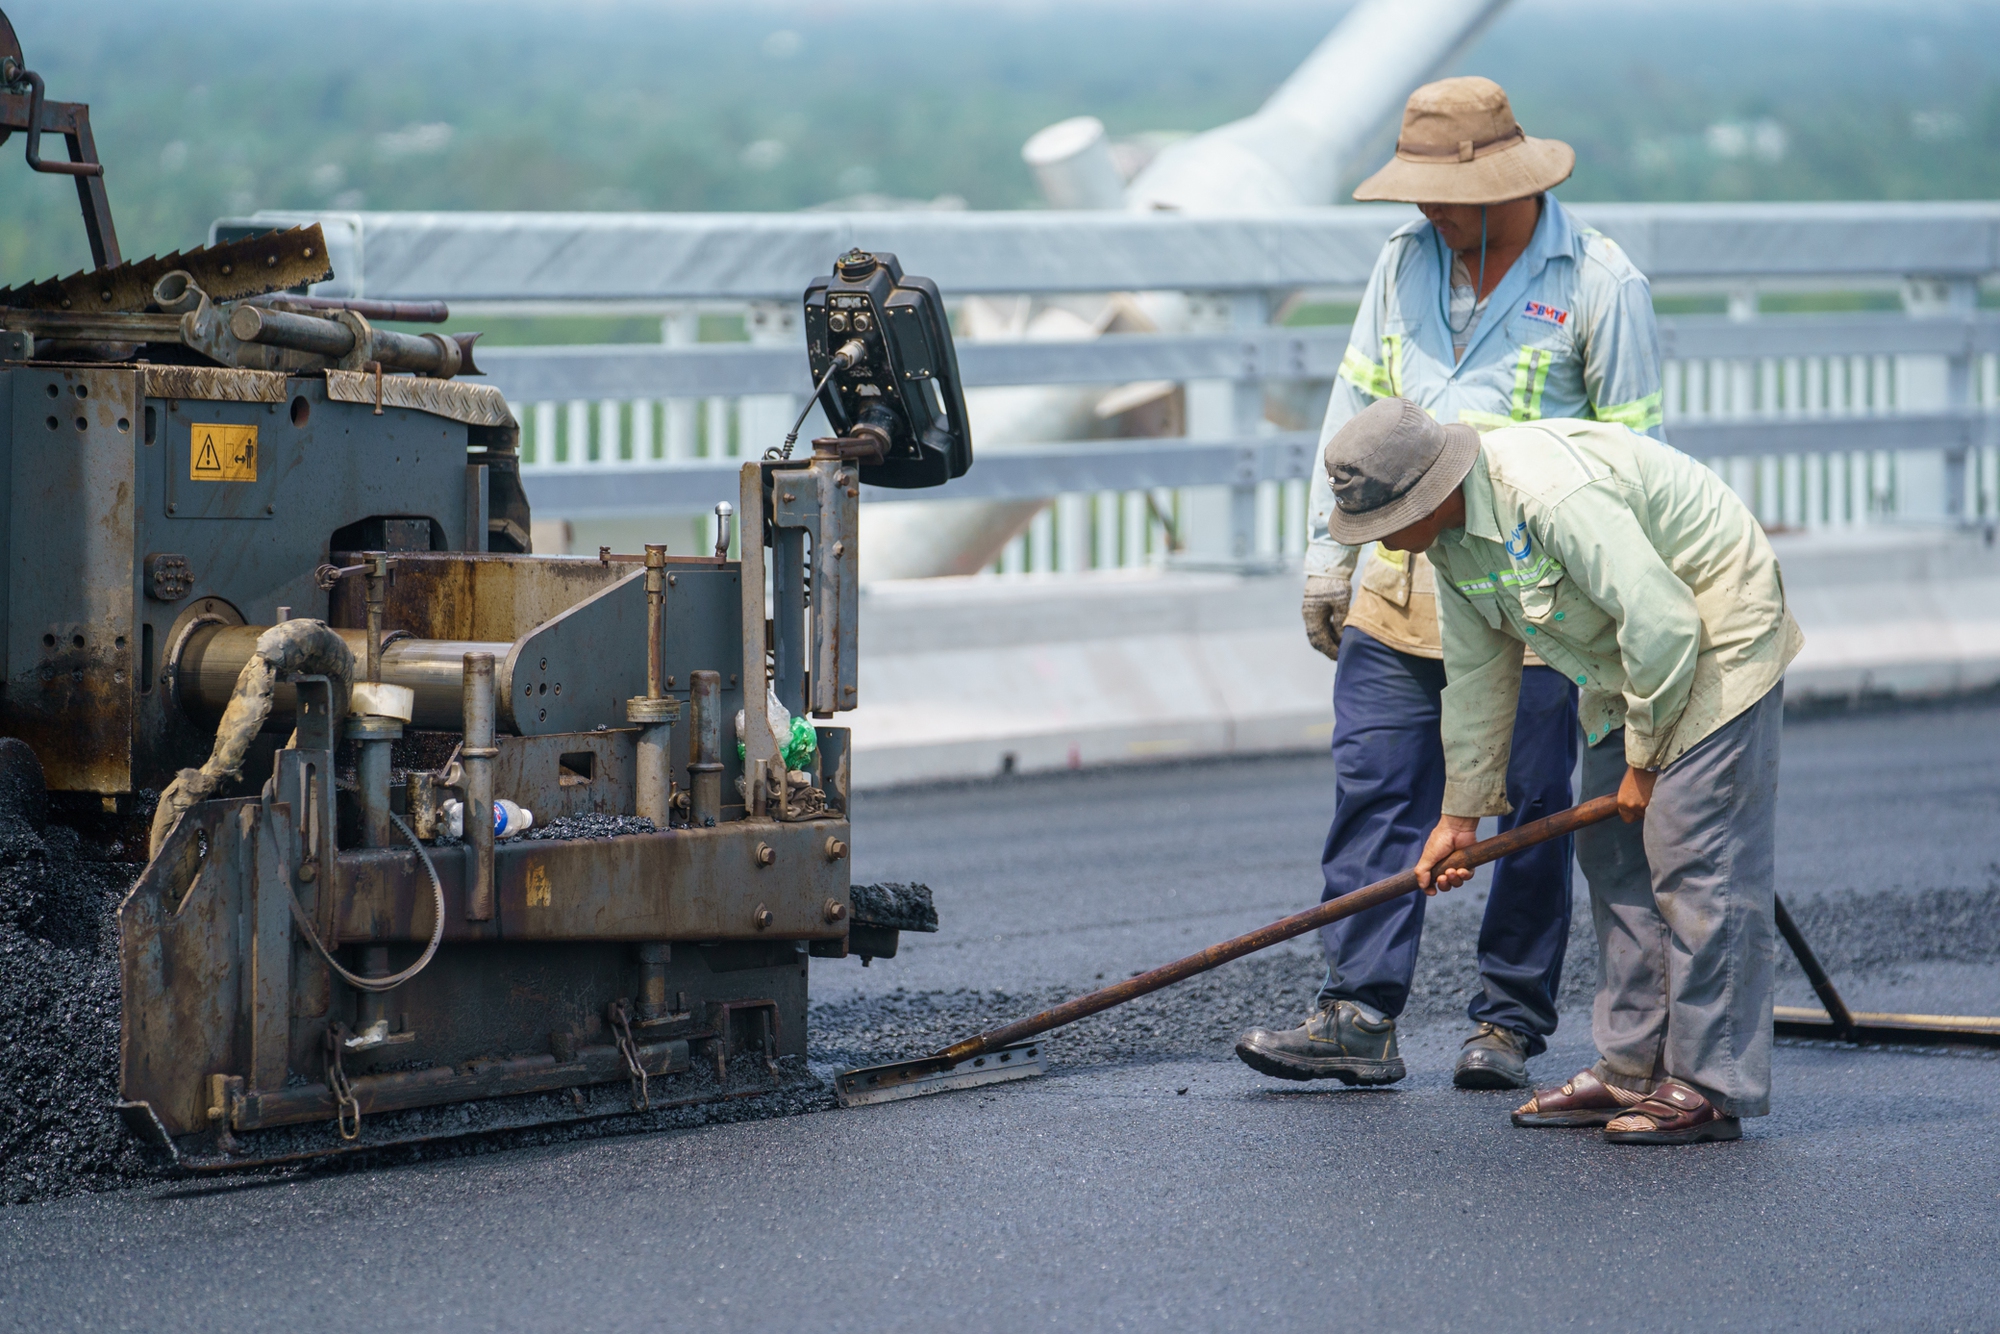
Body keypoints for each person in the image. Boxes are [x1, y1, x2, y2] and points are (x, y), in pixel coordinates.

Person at [1235, 76, 1666, 1091]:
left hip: (1537, 601)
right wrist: (1325, 555)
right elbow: (1354, 404)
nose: (1422, 208)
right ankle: (1357, 1010)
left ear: (1503, 183)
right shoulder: (1399, 263)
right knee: (1374, 790)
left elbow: (1638, 456)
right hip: (1401, 578)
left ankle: (1506, 1019)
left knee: (1524, 809)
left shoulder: (1601, 282)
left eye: (1439, 189)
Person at [1322, 396, 1802, 1144]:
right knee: (1611, 855)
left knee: (1692, 857)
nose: (1385, 544)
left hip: (1714, 632)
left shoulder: (1545, 494)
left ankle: (1709, 1084)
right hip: (1626, 661)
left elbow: (1665, 619)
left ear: (1432, 491)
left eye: (1387, 523)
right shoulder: (1448, 541)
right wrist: (1460, 818)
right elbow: (1479, 676)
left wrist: (1643, 763)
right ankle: (1632, 1069)